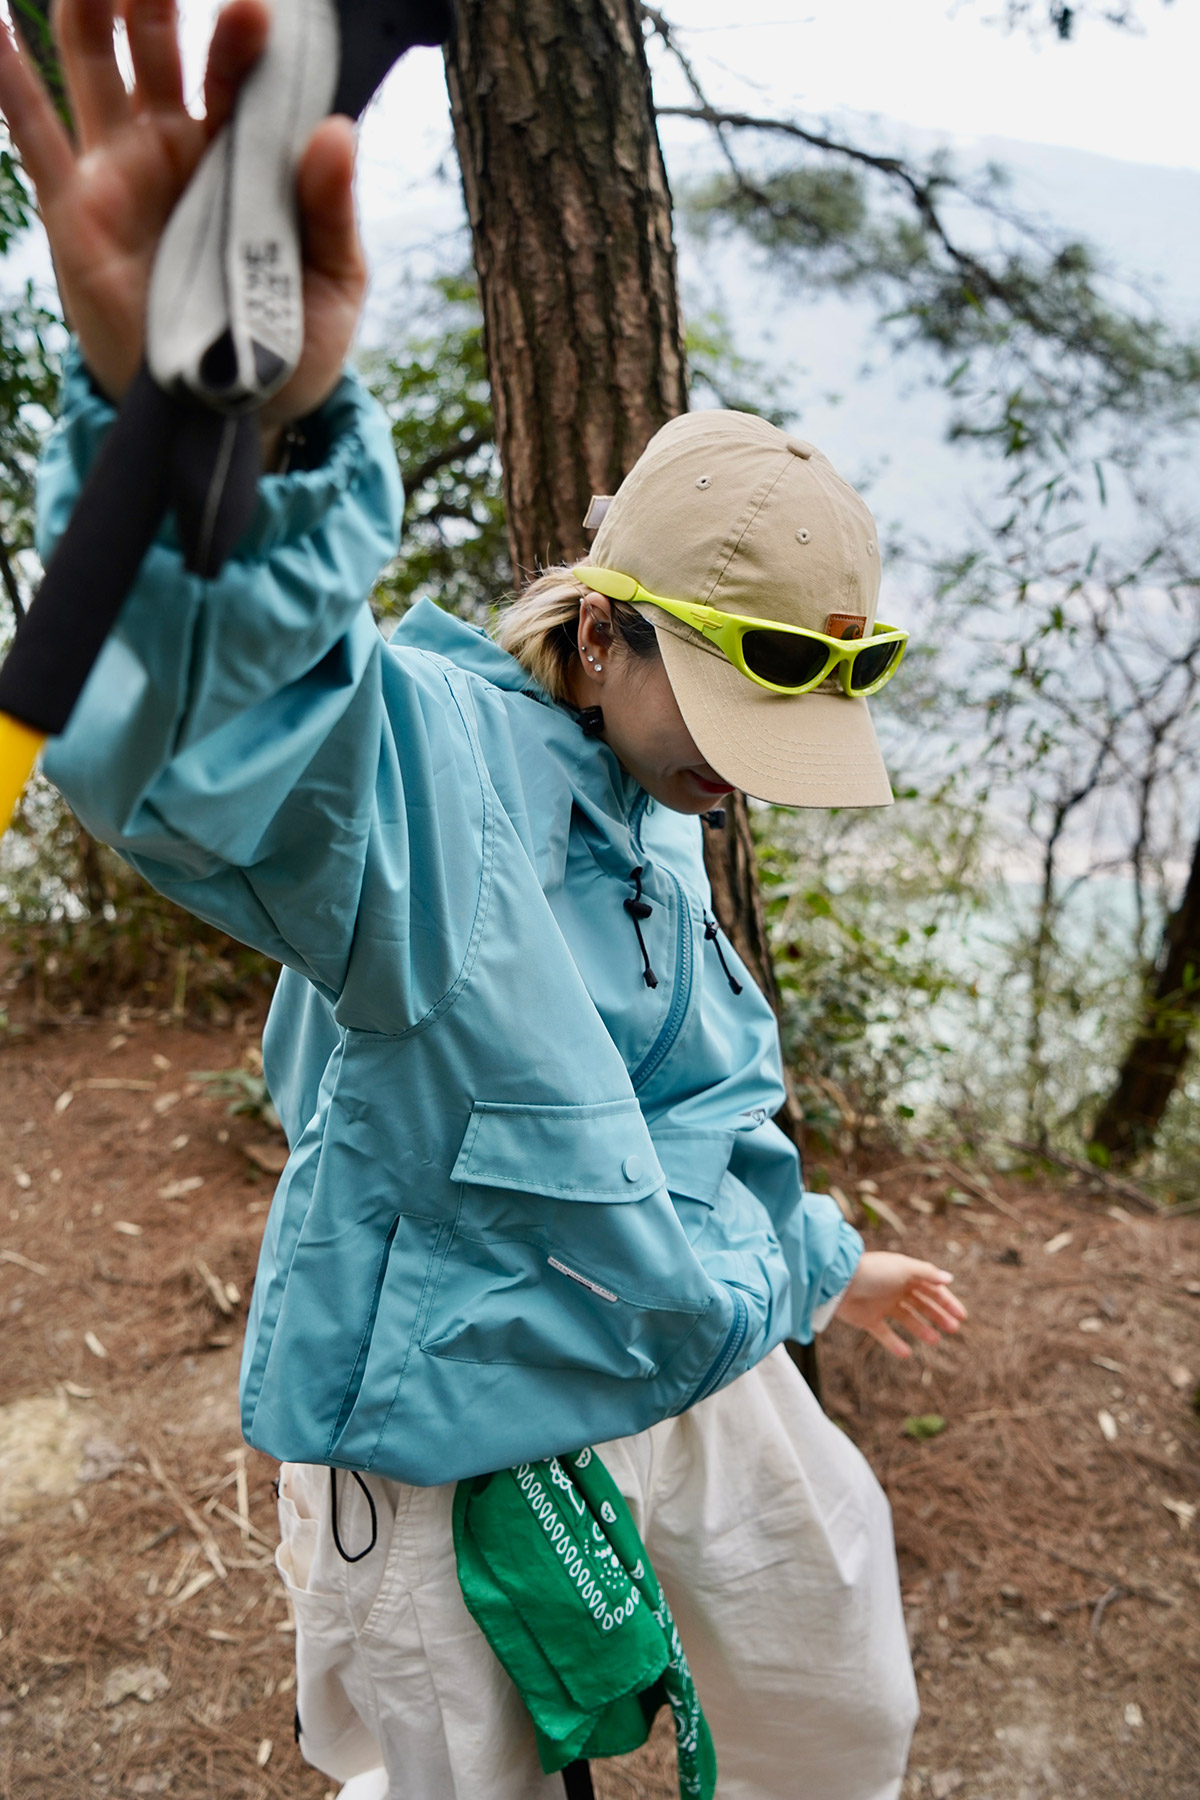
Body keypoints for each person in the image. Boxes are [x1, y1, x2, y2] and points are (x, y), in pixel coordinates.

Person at [0, 4, 968, 1797]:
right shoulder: (441, 769)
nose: (743, 774)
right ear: (600, 631)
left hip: (682, 1344)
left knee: (836, 1692)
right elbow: (230, 757)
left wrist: (825, 1258)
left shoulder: (658, 801)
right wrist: (229, 452)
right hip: (443, 1427)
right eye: (730, 712)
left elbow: (687, 1117)